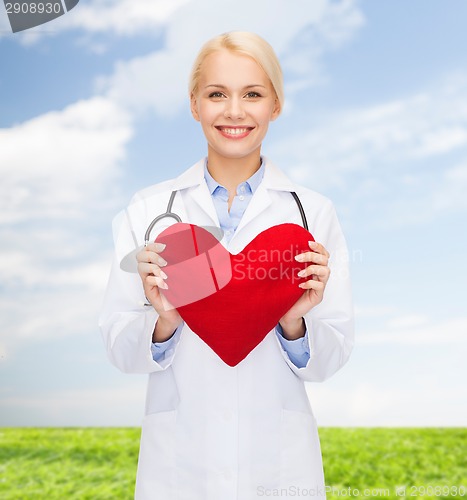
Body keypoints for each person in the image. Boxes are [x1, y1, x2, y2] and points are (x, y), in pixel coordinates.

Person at [99, 31, 354, 500]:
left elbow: (332, 353)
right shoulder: (149, 210)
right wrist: (167, 318)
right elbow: (118, 343)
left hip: (278, 467)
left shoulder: (312, 213)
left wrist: (294, 319)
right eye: (217, 94)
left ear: (275, 105)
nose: (234, 111)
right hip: (180, 467)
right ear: (194, 104)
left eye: (252, 94)